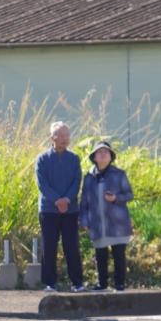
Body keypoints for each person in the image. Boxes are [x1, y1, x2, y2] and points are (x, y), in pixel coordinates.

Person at [36, 121, 85, 292]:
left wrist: (66, 199)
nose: (65, 139)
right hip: (49, 209)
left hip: (70, 209)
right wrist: (58, 200)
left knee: (71, 246)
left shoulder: (74, 158)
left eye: (67, 135)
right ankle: (50, 282)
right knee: (49, 246)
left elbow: (76, 181)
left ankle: (77, 282)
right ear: (52, 137)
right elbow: (42, 184)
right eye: (61, 135)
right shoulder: (42, 159)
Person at [79, 140, 134, 292]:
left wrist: (116, 198)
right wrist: (83, 220)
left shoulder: (119, 174)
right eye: (99, 152)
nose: (103, 155)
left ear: (111, 157)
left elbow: (129, 195)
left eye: (106, 152)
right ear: (94, 157)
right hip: (97, 223)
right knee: (100, 256)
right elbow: (84, 201)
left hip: (117, 223)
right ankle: (102, 284)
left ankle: (119, 284)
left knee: (119, 255)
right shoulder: (88, 177)